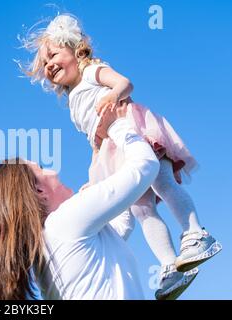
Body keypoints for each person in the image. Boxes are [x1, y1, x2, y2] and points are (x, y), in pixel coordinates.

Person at [18, 14, 221, 299]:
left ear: (75, 49)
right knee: (141, 209)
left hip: (133, 130)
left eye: (53, 54)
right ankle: (169, 266)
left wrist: (112, 96)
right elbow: (96, 140)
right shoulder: (74, 104)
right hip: (115, 149)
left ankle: (196, 232)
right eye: (45, 64)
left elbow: (125, 84)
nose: (50, 65)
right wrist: (94, 173)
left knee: (162, 181)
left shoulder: (91, 71)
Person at [0, 104, 162, 299]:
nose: (54, 171)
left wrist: (106, 163)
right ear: (39, 191)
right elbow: (146, 166)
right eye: (41, 168)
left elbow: (120, 225)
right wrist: (116, 125)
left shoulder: (47, 247)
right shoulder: (65, 220)